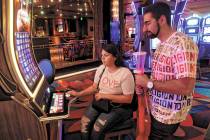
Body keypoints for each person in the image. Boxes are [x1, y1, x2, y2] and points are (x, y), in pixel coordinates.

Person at [135, 2, 198, 140]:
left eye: (147, 23)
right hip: (157, 109)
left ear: (162, 20)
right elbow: (160, 78)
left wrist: (149, 84)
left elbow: (186, 87)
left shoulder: (182, 43)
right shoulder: (160, 45)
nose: (144, 29)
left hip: (169, 115)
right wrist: (144, 85)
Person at [67, 44, 135, 140]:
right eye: (102, 55)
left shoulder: (125, 73)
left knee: (97, 128)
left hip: (119, 107)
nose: (103, 58)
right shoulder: (101, 68)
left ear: (115, 57)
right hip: (101, 103)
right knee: (84, 122)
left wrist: (104, 95)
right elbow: (94, 88)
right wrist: (78, 94)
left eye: (106, 55)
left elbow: (128, 99)